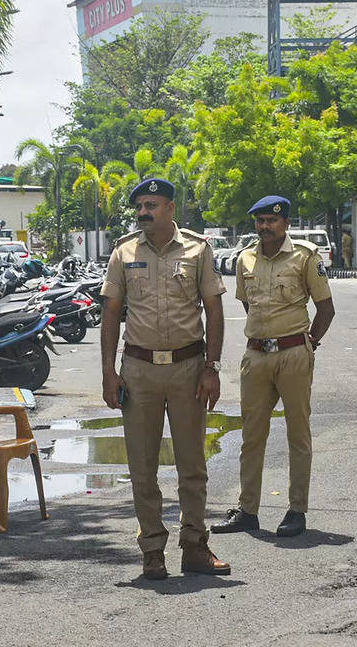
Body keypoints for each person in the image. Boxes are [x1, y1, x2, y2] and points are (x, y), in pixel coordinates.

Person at [100, 177, 230, 580]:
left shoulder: (197, 250)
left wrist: (212, 367)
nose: (144, 212)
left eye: (152, 204)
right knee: (142, 466)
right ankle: (152, 550)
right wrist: (109, 370)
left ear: (171, 208)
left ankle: (195, 546)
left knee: (193, 464)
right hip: (138, 370)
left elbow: (214, 311)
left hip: (188, 369)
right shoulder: (124, 253)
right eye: (140, 206)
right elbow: (110, 314)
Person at [211, 196, 334, 538]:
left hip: (293, 353)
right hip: (256, 356)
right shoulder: (245, 258)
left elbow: (326, 307)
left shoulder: (305, 255)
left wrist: (310, 344)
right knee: (251, 436)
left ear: (286, 223)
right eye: (260, 221)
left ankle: (297, 510)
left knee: (298, 434)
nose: (265, 227)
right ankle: (247, 510)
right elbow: (249, 304)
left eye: (271, 221)